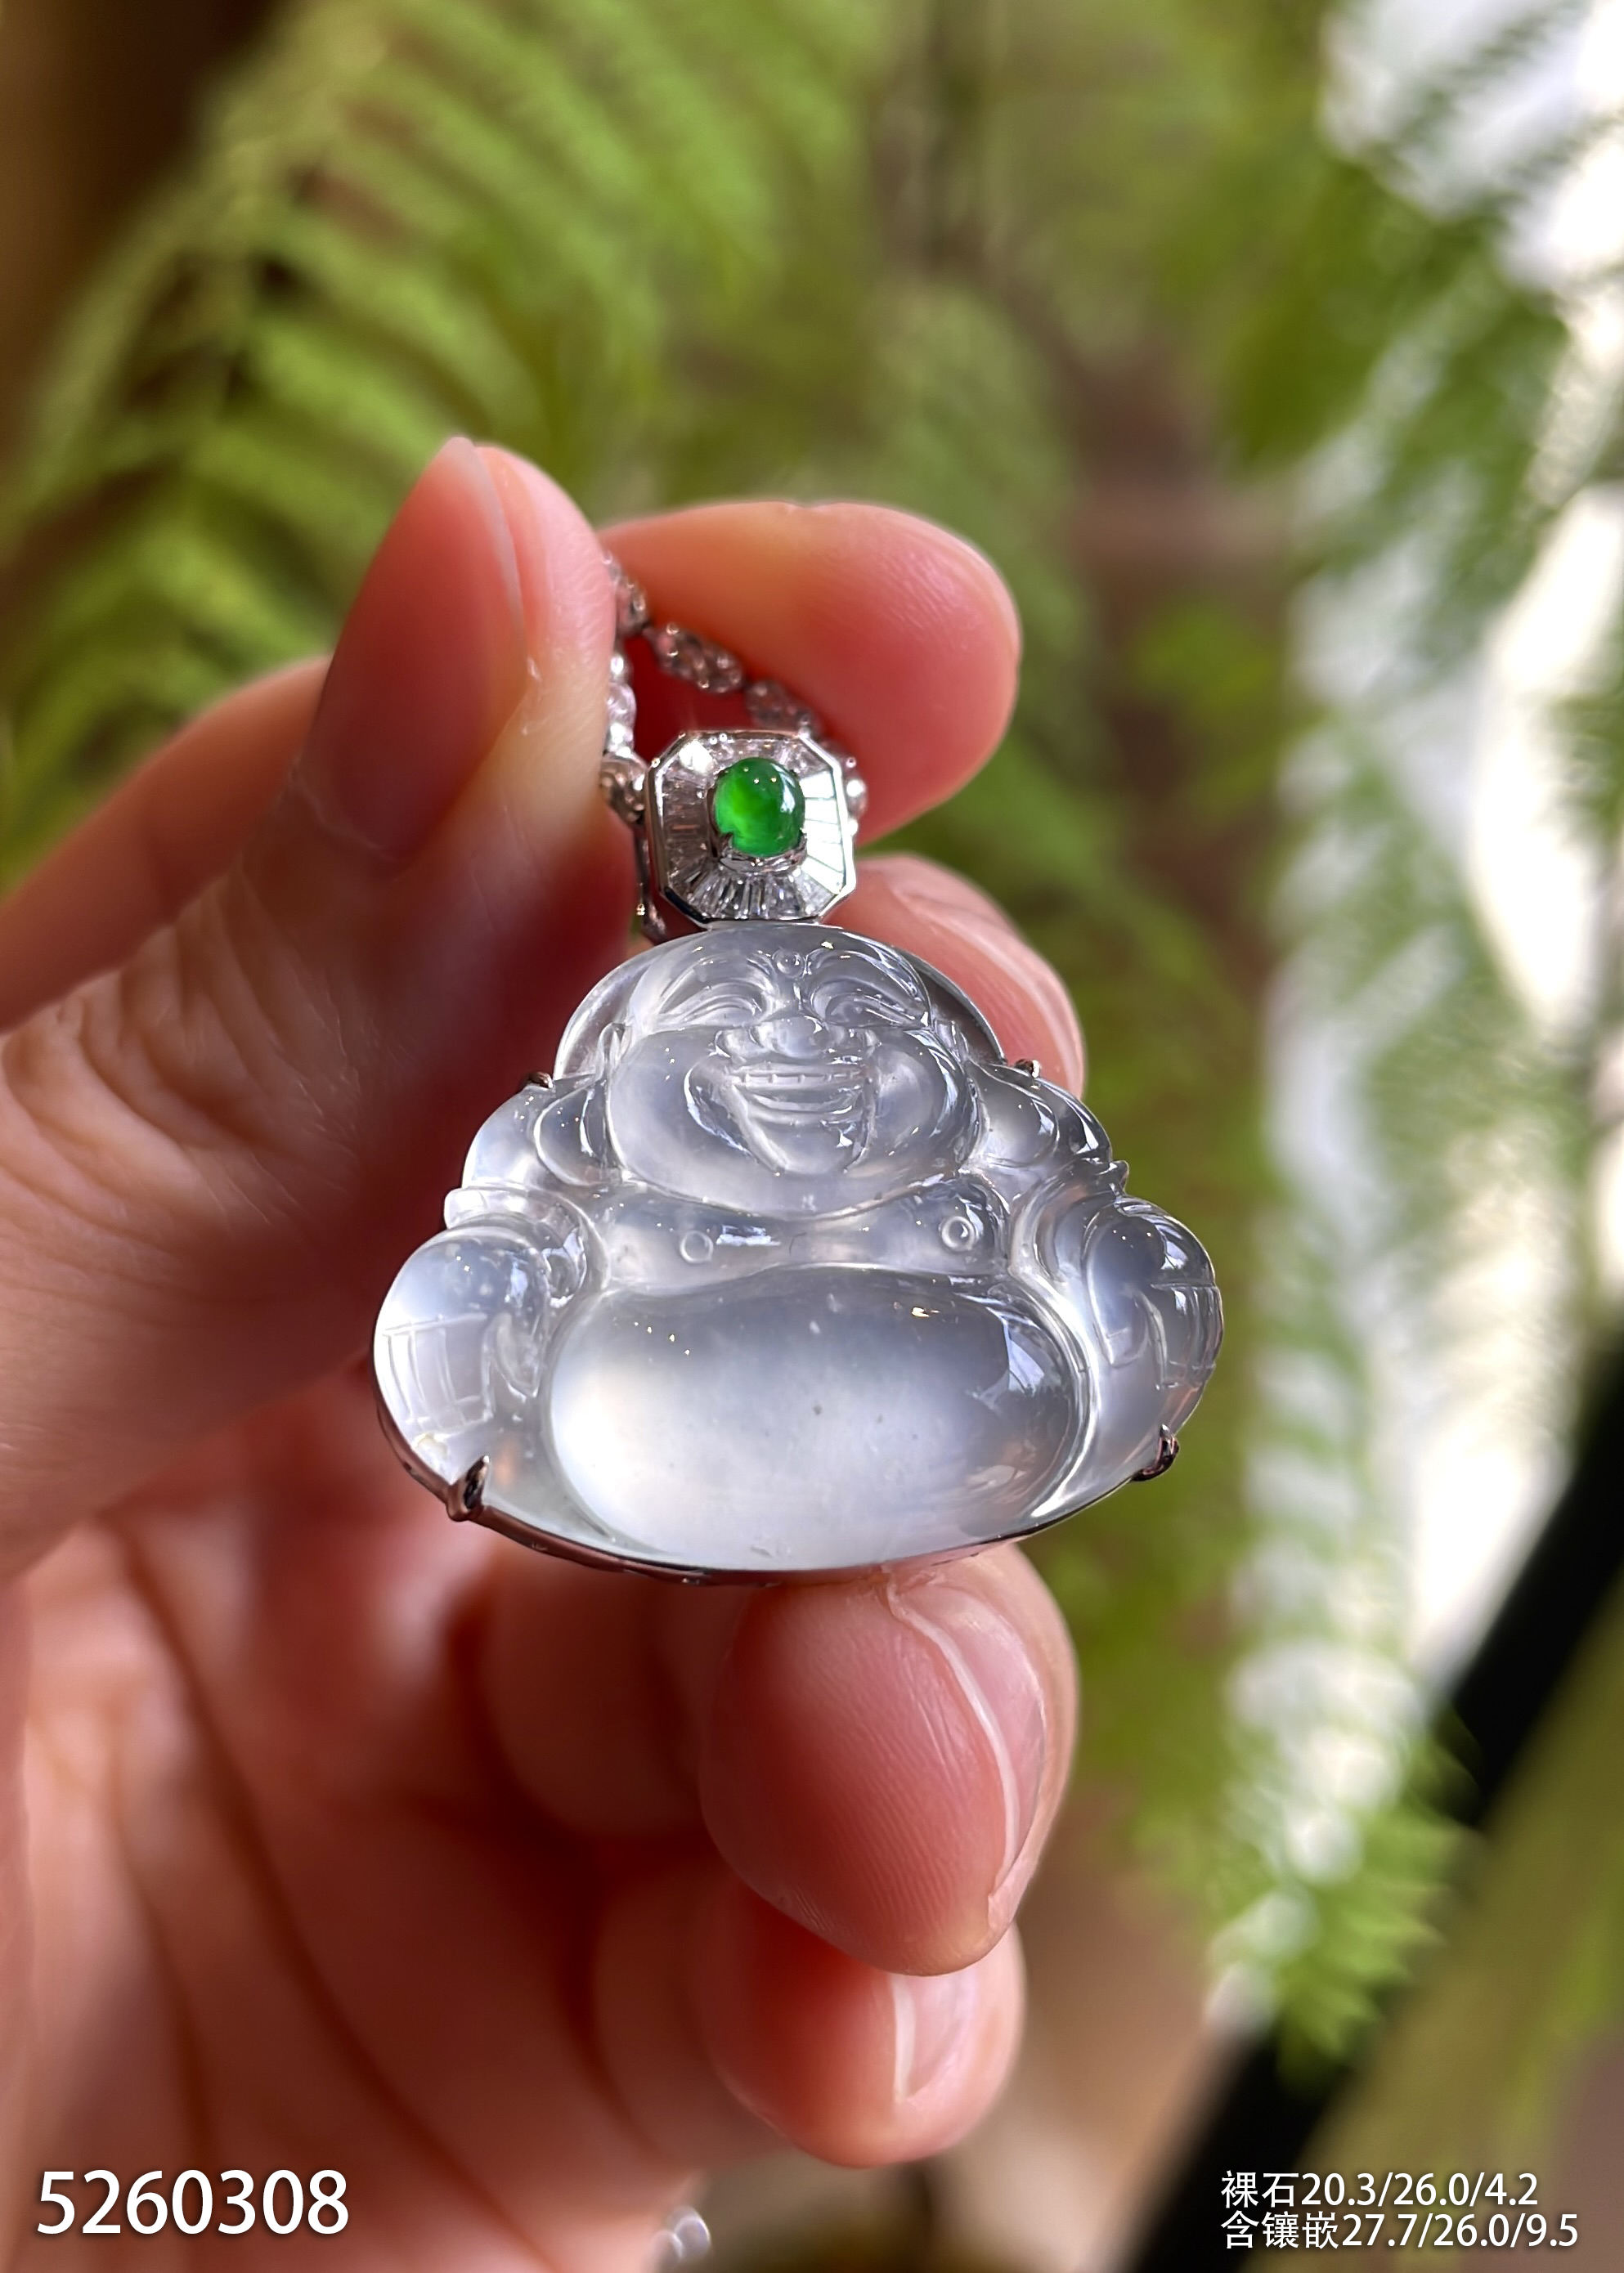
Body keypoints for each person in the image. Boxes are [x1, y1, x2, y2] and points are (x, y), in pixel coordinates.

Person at [0, 442, 1083, 2266]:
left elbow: (1040, 1196)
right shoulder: (617, 1072)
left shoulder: (887, 1036)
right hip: (652, 1363)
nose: (789, 1066)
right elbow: (494, 1277)